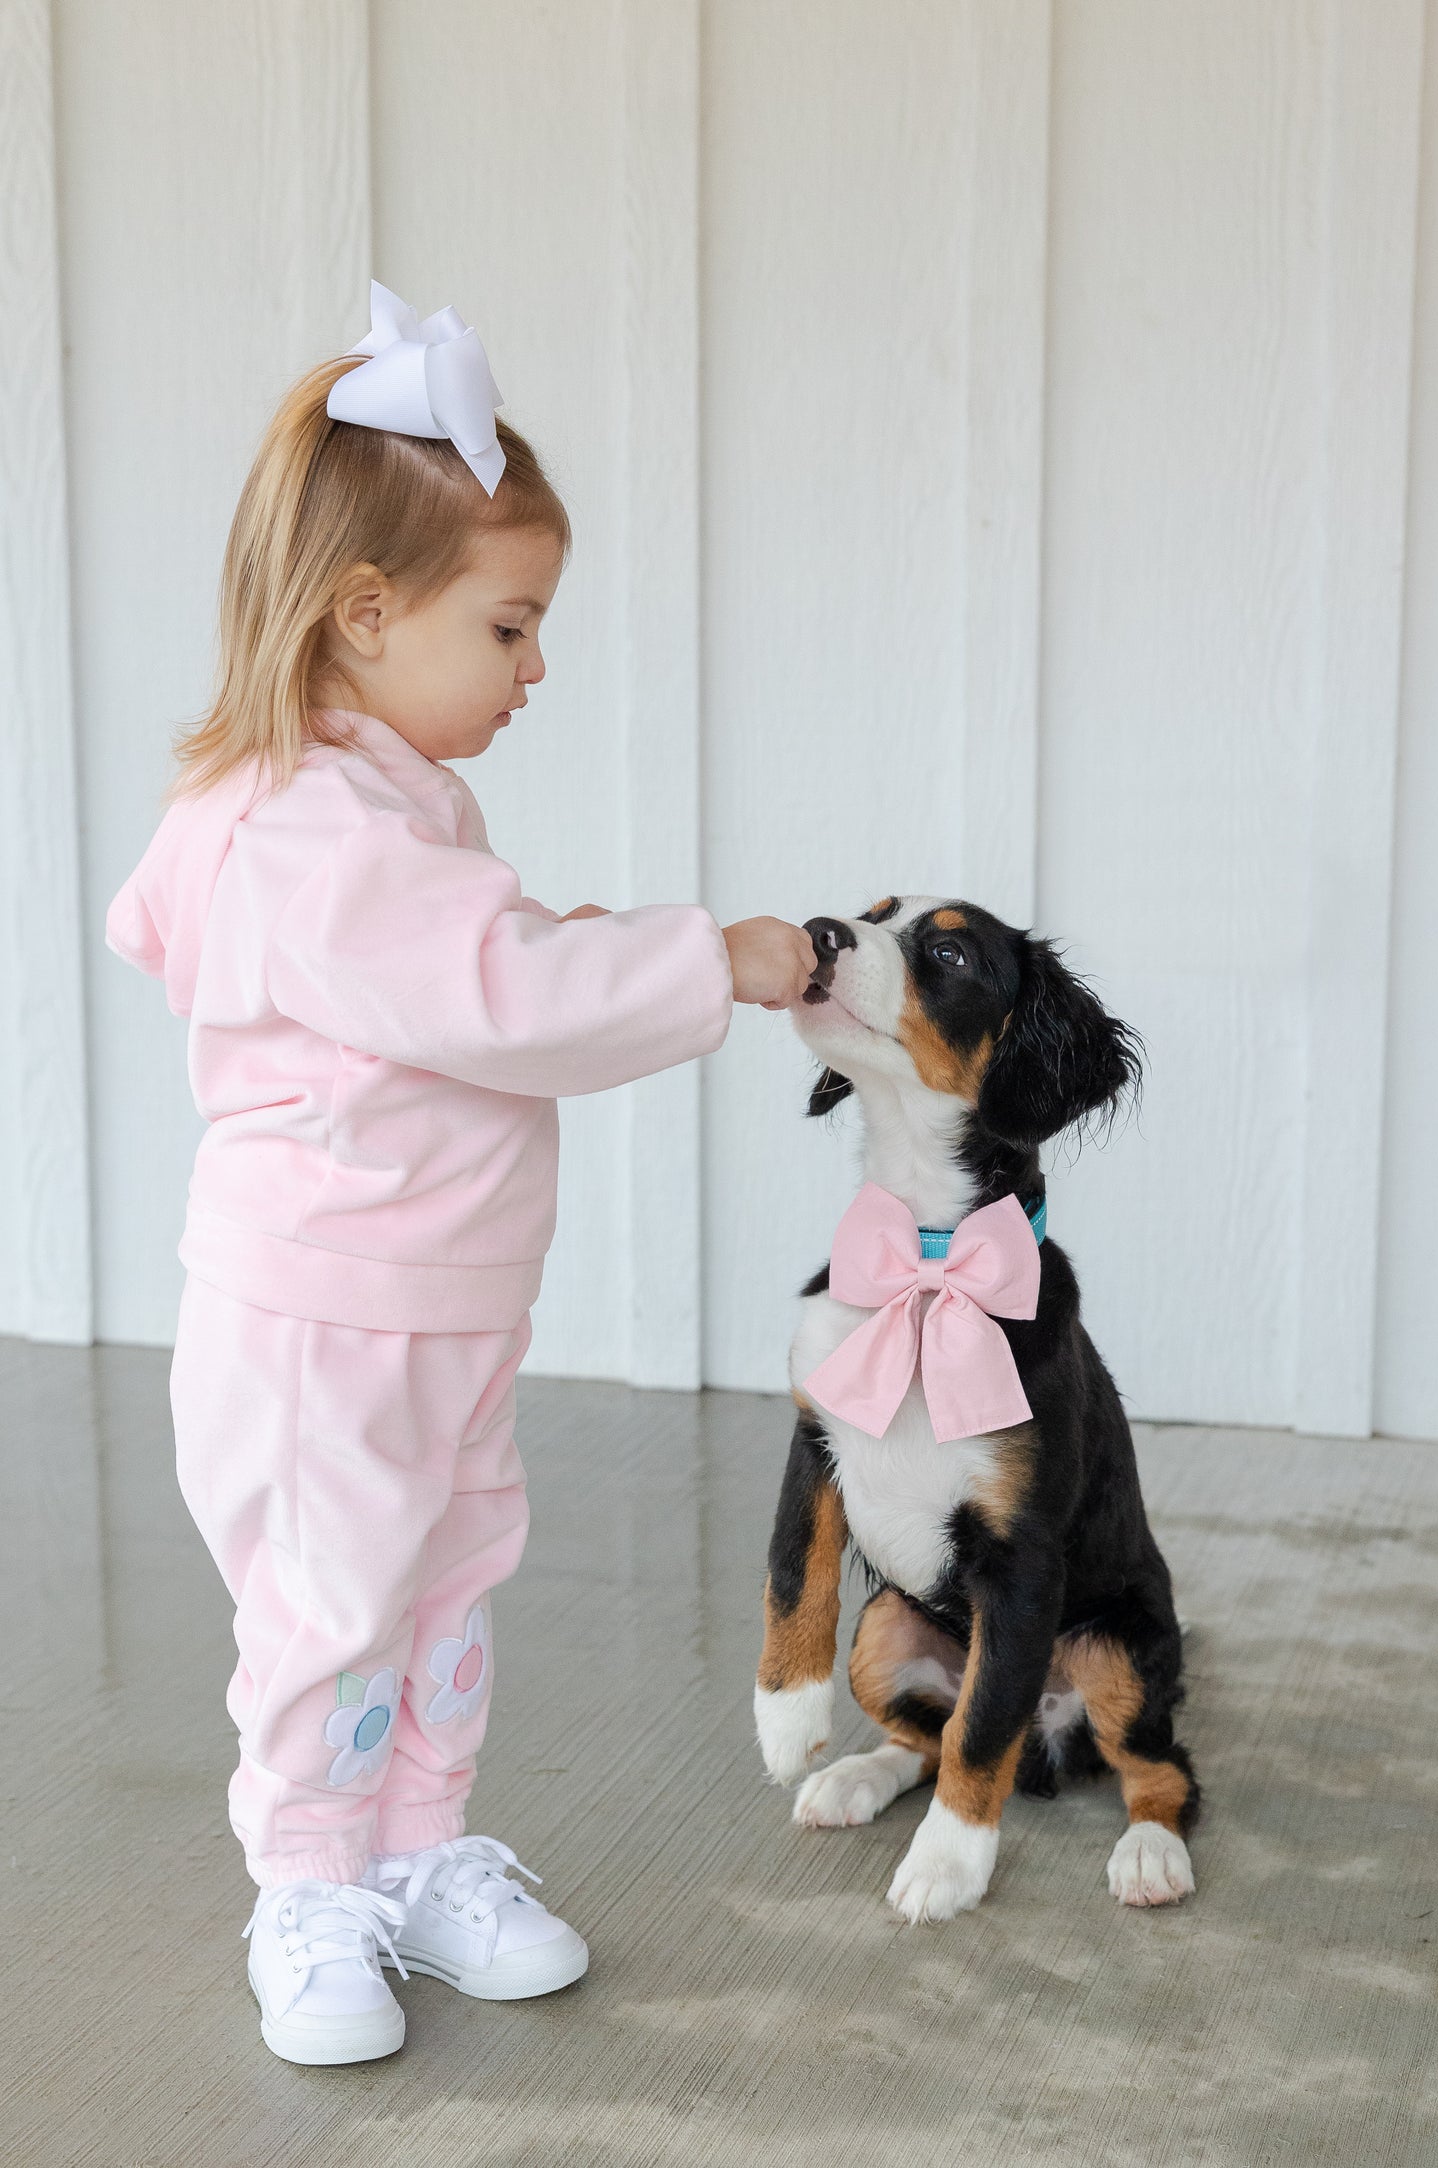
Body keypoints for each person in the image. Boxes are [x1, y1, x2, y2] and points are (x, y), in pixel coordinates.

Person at [106, 283, 814, 2066]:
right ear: (363, 615)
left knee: (444, 1574)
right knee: (333, 1607)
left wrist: (527, 945)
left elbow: (446, 977)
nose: (535, 666)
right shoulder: (310, 831)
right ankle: (309, 1886)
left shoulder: (388, 806)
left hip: (436, 1300)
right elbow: (497, 992)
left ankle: (416, 1848)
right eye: (509, 627)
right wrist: (701, 956)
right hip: (319, 1320)